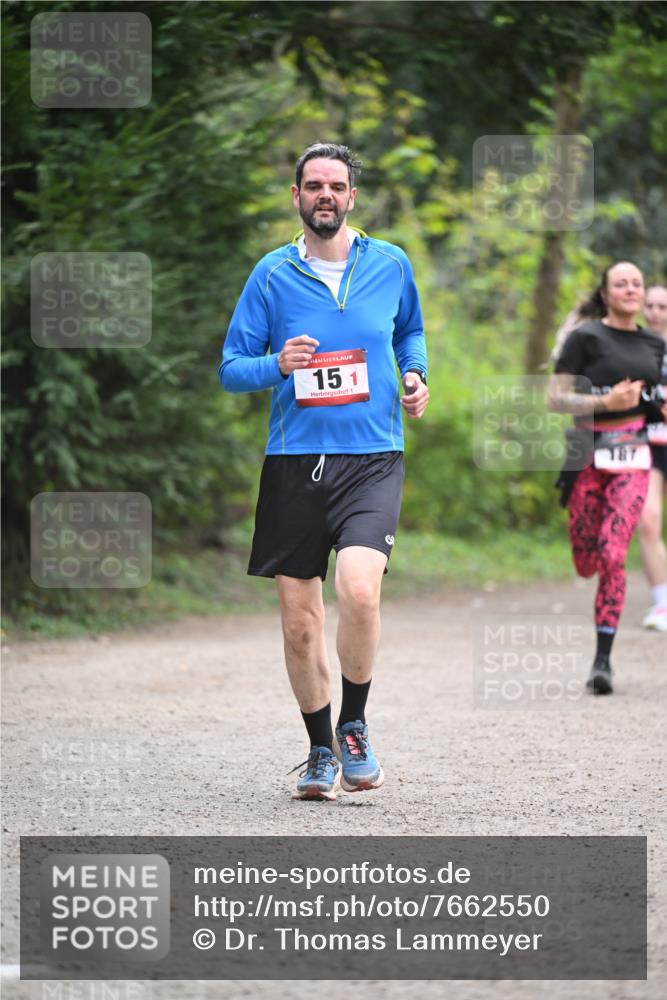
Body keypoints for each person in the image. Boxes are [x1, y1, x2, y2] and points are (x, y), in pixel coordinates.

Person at [219, 142, 429, 798]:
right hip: (294, 464)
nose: (325, 196)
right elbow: (231, 368)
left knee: (359, 590)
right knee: (299, 620)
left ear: (352, 196)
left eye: (336, 185)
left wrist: (416, 374)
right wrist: (277, 365)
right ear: (296, 197)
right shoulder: (272, 275)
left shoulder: (389, 263)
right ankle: (317, 750)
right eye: (313, 186)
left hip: (371, 458)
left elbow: (408, 334)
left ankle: (354, 725)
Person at [549, 262, 667, 694]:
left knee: (614, 554)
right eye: (622, 283)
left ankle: (603, 661)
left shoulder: (655, 345)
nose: (631, 289)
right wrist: (606, 399)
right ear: (606, 292)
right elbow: (555, 399)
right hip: (587, 457)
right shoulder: (585, 339)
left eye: (637, 282)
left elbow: (657, 399)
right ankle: (590, 561)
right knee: (588, 559)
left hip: (634, 459)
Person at [639, 284, 667, 631]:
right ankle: (661, 603)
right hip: (646, 445)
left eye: (663, 306)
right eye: (651, 305)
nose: (656, 312)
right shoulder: (632, 346)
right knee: (647, 520)